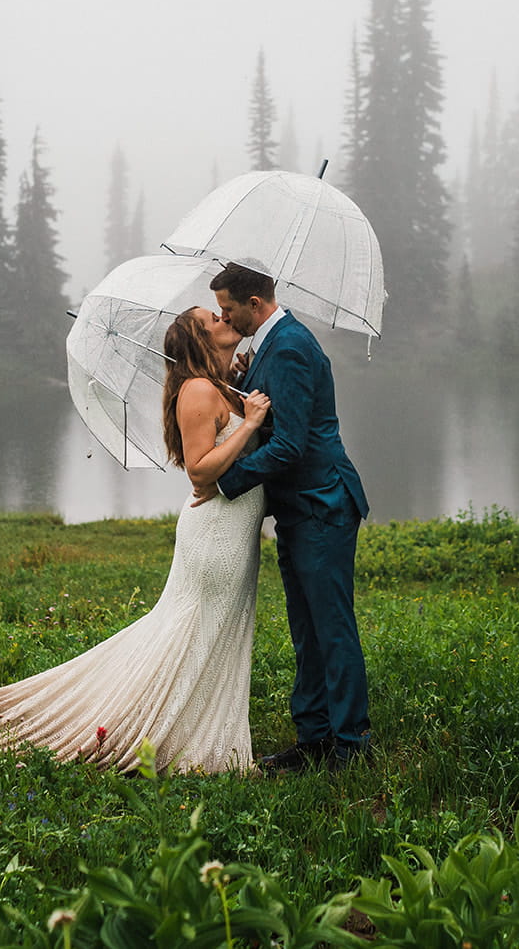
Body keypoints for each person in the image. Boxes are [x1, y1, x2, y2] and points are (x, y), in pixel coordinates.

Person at [0, 307, 270, 774]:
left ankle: (200, 728)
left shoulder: (219, 385)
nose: (224, 319)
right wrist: (250, 424)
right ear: (200, 340)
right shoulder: (197, 390)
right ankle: (182, 736)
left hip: (234, 531)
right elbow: (200, 470)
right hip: (216, 533)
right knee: (196, 631)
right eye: (213, 319)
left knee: (214, 632)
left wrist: (242, 399)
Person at [195, 261, 370, 773]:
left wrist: (224, 482)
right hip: (297, 510)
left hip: (322, 503)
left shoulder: (290, 346)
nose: (226, 318)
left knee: (331, 628)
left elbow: (291, 444)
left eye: (228, 309)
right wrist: (241, 385)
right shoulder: (272, 345)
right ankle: (313, 738)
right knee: (306, 629)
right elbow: (275, 418)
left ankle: (350, 746)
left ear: (255, 304)